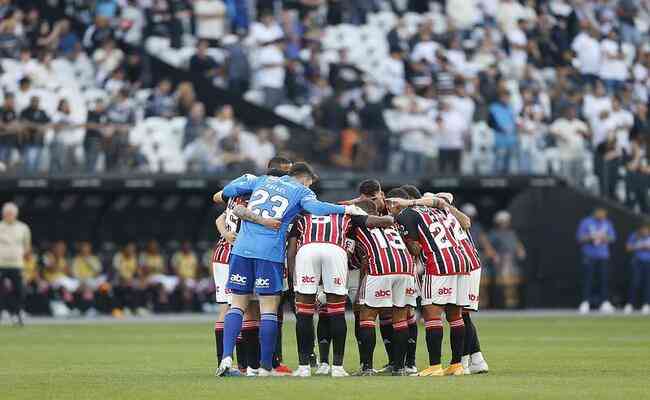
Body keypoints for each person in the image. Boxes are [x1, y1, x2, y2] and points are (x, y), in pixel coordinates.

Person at [215, 162, 365, 377]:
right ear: (303, 178)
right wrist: (346, 209)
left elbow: (228, 191)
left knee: (237, 305)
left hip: (241, 249)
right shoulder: (301, 191)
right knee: (268, 309)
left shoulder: (260, 180)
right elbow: (316, 208)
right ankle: (265, 367)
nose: (310, 187)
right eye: (310, 183)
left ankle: (227, 357)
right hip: (269, 252)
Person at [287, 199, 393, 377]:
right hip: (335, 251)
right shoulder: (347, 215)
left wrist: (294, 281)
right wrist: (387, 217)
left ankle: (303, 367)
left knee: (304, 313)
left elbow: (291, 251)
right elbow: (381, 221)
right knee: (336, 312)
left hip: (307, 250)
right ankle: (337, 367)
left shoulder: (302, 217)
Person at [212, 157, 293, 376]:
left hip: (224, 251)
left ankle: (233, 363)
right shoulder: (257, 196)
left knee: (232, 308)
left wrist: (225, 233)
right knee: (251, 309)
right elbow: (247, 216)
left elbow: (220, 213)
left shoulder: (235, 193)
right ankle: (250, 364)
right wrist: (266, 223)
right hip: (242, 253)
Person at [388, 188, 474, 376]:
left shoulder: (405, 215)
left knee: (432, 315)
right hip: (462, 261)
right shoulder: (439, 208)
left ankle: (435, 366)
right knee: (456, 316)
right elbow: (464, 221)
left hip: (439, 264)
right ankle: (457, 365)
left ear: (396, 203)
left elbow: (416, 249)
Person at [354, 198, 417, 376]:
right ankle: (399, 367)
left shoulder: (358, 223)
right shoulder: (392, 225)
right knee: (400, 317)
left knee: (367, 315)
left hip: (381, 269)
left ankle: (366, 367)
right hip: (405, 269)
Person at [576, 208, 616, 314]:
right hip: (589, 255)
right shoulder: (586, 222)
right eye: (601, 213)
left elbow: (612, 238)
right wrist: (591, 237)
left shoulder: (607, 223)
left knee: (604, 280)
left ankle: (604, 303)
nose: (602, 215)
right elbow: (580, 238)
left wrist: (603, 238)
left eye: (604, 214)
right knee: (588, 279)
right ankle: (585, 302)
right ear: (595, 212)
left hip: (603, 256)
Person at [0, 202, 32, 325]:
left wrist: (27, 263)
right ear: (3, 214)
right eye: (6, 214)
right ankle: (2, 312)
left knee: (19, 290)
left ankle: (17, 312)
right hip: (1, 264)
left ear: (15, 214)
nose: (9, 216)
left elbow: (27, 247)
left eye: (11, 214)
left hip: (17, 264)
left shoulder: (23, 228)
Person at [488, 211, 526, 309]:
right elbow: (489, 247)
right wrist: (494, 255)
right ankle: (503, 304)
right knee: (503, 284)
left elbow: (517, 244)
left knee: (514, 283)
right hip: (501, 261)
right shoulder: (493, 234)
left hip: (512, 261)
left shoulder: (512, 233)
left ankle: (513, 303)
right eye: (502, 221)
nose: (504, 223)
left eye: (506, 221)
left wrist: (520, 250)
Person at [623, 223, 650, 315]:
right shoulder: (634, 236)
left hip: (648, 262)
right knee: (635, 283)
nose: (645, 231)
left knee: (647, 284)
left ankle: (646, 304)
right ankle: (630, 304)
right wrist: (639, 247)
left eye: (646, 229)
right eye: (643, 229)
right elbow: (628, 248)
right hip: (637, 262)